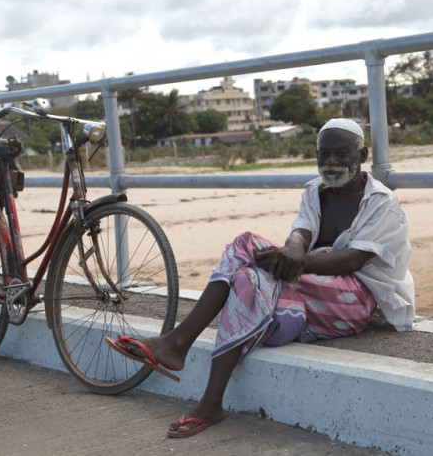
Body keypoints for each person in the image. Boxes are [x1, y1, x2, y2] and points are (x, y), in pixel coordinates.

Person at [107, 118, 415, 438]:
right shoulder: (314, 191)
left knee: (250, 278)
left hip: (356, 300)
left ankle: (182, 351)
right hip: (313, 288)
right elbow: (300, 232)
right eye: (324, 155)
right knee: (246, 253)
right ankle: (195, 377)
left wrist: (298, 260)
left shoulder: (381, 202)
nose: (331, 162)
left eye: (341, 154)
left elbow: (354, 260)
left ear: (362, 154)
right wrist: (292, 250)